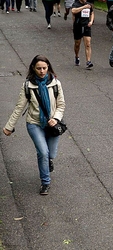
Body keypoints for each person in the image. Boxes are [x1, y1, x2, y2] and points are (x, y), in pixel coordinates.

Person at [3, 55, 66, 195]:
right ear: (33, 68)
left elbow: (61, 105)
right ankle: (45, 182)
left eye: (44, 68)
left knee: (51, 153)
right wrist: (9, 126)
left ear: (48, 67)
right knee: (43, 152)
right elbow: (19, 107)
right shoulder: (28, 85)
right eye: (39, 68)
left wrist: (55, 118)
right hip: (34, 123)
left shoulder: (55, 83)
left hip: (52, 125)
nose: (42, 71)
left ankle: (48, 160)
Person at [72, 0, 94, 68]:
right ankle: (77, 56)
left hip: (86, 26)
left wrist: (91, 21)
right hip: (78, 26)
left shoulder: (89, 5)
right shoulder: (76, 4)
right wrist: (83, 7)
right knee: (77, 44)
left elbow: (92, 13)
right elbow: (73, 11)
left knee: (88, 44)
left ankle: (88, 61)